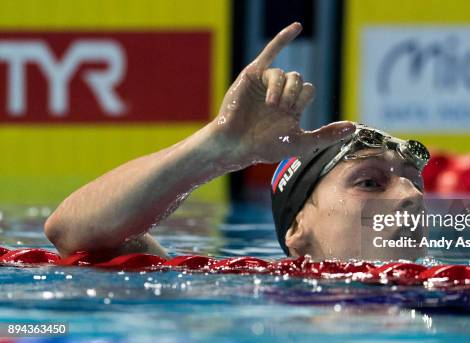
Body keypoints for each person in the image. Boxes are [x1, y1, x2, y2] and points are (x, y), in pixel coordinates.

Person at [44, 22, 429, 262]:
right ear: (297, 232)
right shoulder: (239, 289)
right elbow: (70, 232)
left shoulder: (463, 293)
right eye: (369, 182)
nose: (412, 197)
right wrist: (217, 147)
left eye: (415, 181)